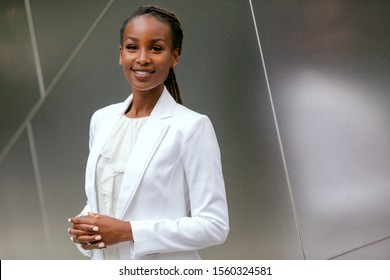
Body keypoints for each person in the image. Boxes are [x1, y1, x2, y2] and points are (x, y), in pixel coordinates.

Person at [67, 5, 229, 260]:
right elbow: (105, 194)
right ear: (121, 54)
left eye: (156, 48)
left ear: (174, 56)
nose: (142, 58)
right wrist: (86, 226)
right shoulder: (102, 120)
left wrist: (128, 231)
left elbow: (214, 225)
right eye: (132, 47)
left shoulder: (192, 127)